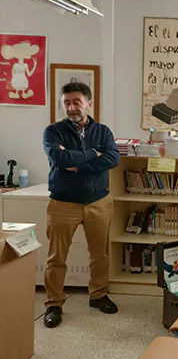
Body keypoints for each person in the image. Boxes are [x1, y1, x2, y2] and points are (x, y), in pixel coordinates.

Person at [42, 82, 120, 328]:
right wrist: (93, 154)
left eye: (76, 102)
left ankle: (98, 294)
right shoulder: (53, 131)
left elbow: (113, 158)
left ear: (89, 103)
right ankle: (54, 303)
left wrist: (78, 164)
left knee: (100, 254)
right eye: (66, 103)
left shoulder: (103, 131)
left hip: (99, 201)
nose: (71, 107)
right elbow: (59, 157)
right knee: (56, 257)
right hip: (63, 203)